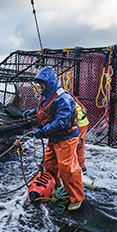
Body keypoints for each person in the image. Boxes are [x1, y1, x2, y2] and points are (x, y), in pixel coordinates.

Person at [21, 66, 85, 210]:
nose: (40, 87)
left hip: (66, 139)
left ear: (49, 82)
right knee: (49, 163)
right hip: (54, 138)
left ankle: (77, 198)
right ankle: (54, 186)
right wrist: (34, 113)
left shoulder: (63, 98)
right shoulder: (48, 95)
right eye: (39, 84)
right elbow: (46, 110)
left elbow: (61, 122)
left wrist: (43, 132)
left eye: (42, 83)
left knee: (67, 168)